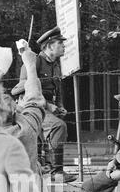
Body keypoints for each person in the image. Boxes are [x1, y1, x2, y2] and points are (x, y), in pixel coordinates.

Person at [19, 26, 77, 183]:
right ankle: (55, 172)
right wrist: (46, 105)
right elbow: (21, 89)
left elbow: (57, 89)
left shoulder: (56, 65)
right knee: (59, 126)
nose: (64, 46)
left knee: (59, 127)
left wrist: (60, 105)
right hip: (33, 108)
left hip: (48, 108)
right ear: (50, 46)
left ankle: (48, 167)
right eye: (61, 44)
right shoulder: (34, 62)